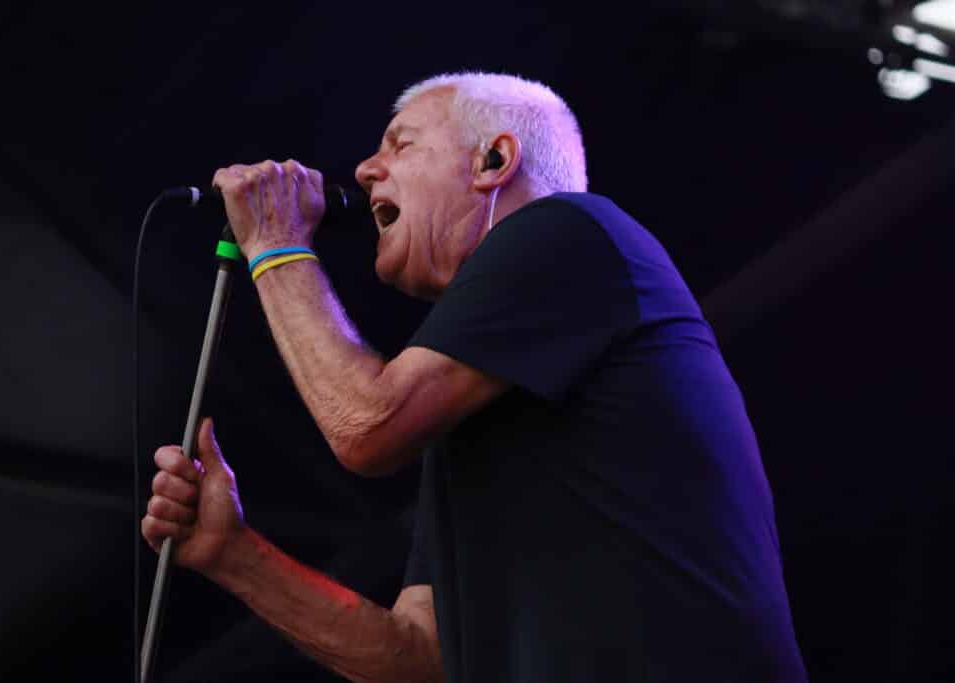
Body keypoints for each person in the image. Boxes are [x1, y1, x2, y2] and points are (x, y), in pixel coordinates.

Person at [142, 71, 808, 682]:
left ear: (494, 160)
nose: (366, 170)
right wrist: (234, 555)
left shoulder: (570, 230)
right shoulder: (472, 407)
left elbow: (364, 424)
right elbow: (418, 659)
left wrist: (276, 243)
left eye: (401, 144)